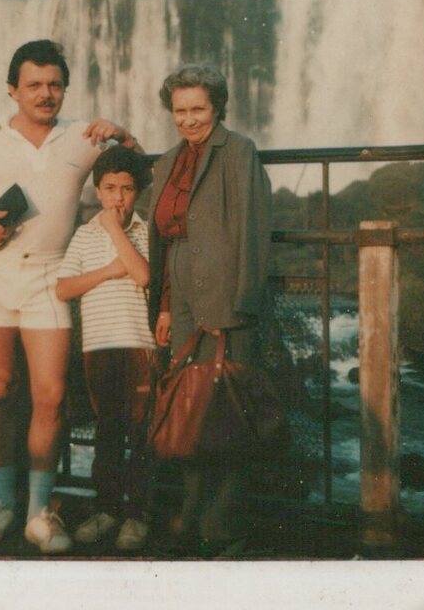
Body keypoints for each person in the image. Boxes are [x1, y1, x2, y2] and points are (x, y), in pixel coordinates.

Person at [0, 39, 140, 554]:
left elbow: (138, 171)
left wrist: (122, 133)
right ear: (13, 90)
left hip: (50, 276)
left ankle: (38, 513)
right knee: (2, 388)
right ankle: (3, 503)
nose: (45, 94)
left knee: (50, 395)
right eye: (34, 85)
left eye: (54, 85)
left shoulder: (83, 137)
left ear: (64, 88)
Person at [147, 63, 273, 549]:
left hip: (225, 299)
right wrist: (163, 307)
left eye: (198, 109)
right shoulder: (167, 162)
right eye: (179, 110)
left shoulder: (238, 151)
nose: (188, 119)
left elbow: (252, 231)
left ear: (217, 107)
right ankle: (193, 516)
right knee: (190, 408)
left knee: (229, 412)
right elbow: (166, 242)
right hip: (181, 301)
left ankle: (222, 528)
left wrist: (240, 306)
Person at [55, 146, 156, 551]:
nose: (118, 198)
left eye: (127, 189)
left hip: (139, 345)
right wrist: (110, 270)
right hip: (99, 345)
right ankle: (107, 509)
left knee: (142, 431)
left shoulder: (144, 231)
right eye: (110, 188)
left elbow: (144, 276)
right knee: (108, 429)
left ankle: (137, 515)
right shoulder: (84, 235)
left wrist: (116, 232)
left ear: (137, 193)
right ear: (97, 191)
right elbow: (64, 287)